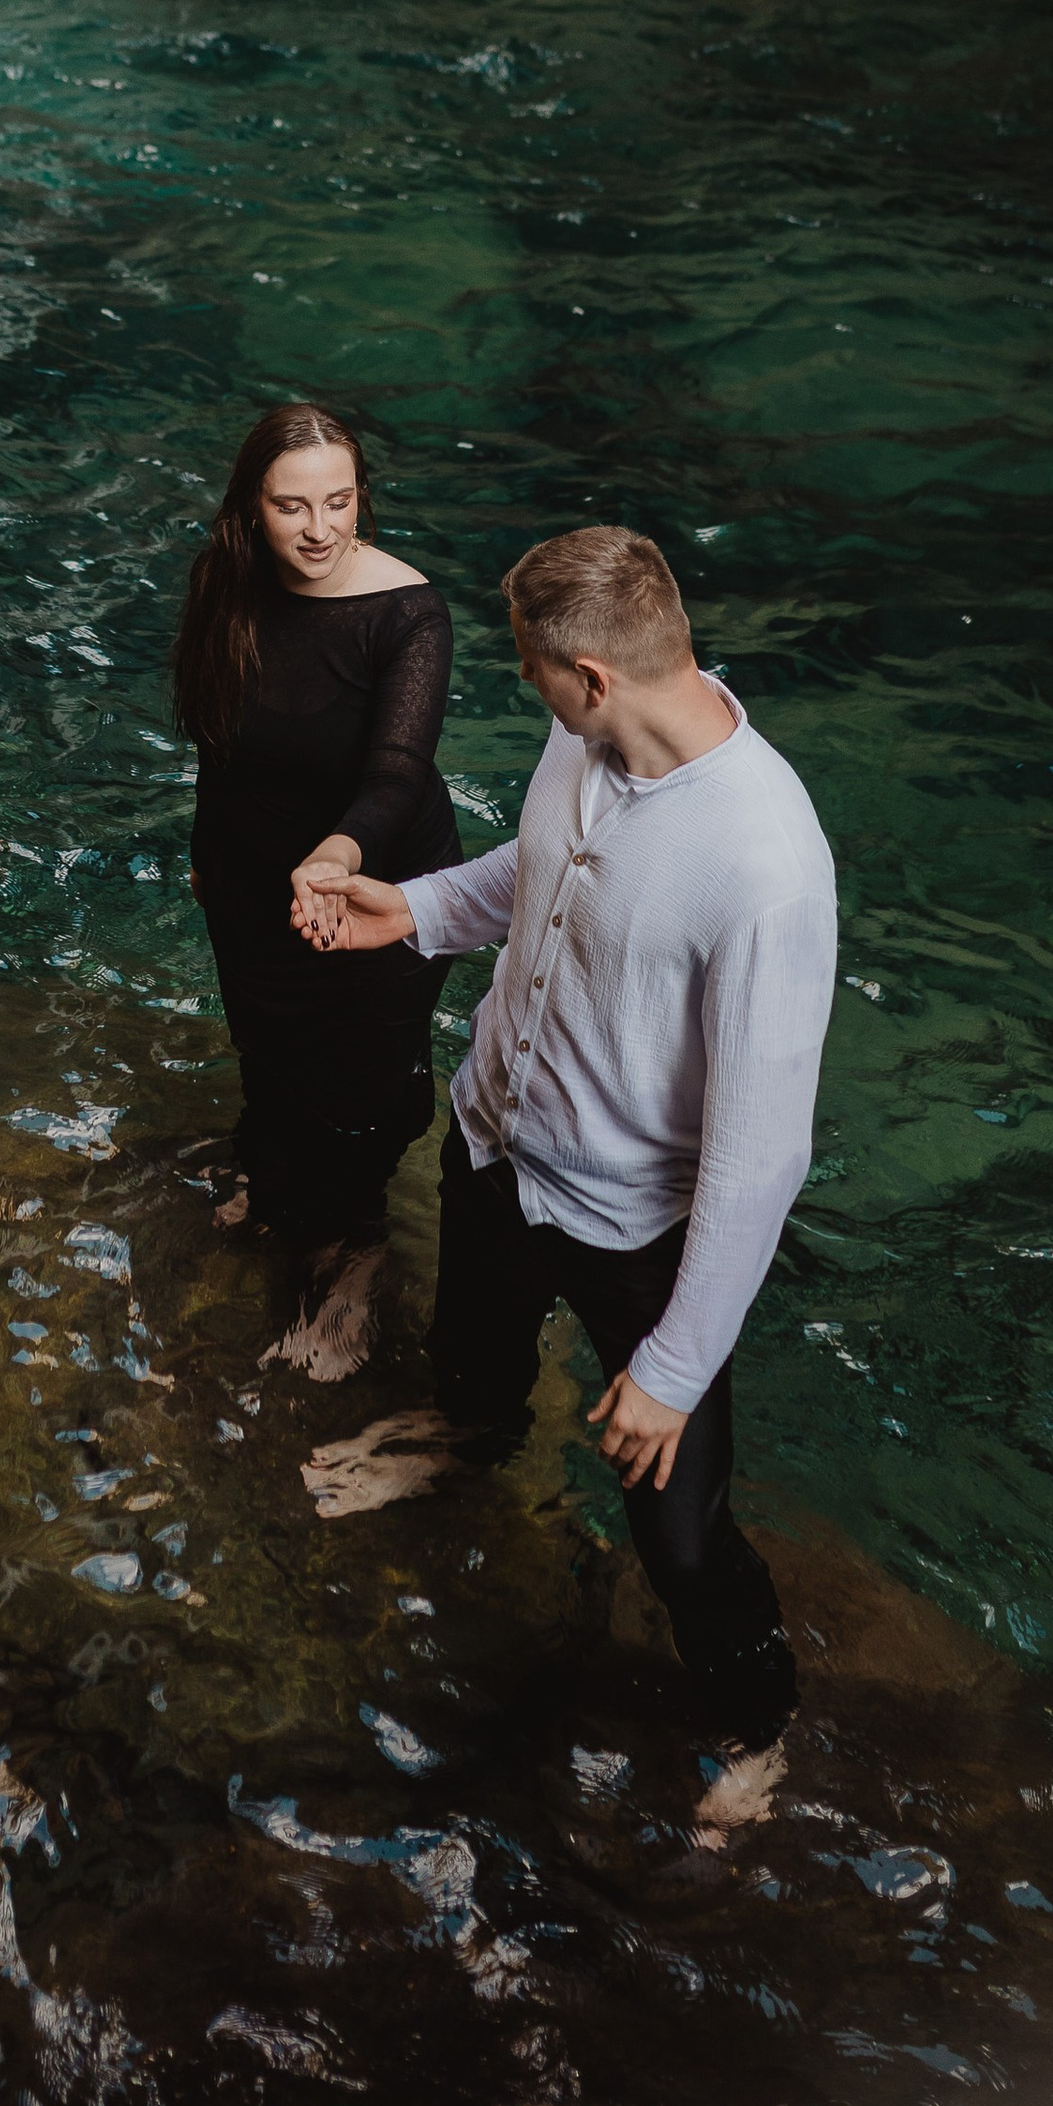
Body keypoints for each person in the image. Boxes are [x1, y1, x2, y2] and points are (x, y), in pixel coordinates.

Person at [293, 525, 834, 1839]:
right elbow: (539, 878)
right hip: (495, 1144)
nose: (523, 685)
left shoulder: (766, 867)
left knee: (683, 1537)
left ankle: (761, 1731)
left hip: (632, 1232)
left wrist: (673, 1366)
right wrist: (414, 909)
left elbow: (764, 1155)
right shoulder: (585, 736)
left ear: (592, 676)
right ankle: (467, 1441)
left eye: (532, 669)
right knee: (472, 1358)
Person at [174, 403, 458, 1380]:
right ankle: (268, 1181)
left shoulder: (408, 613)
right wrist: (207, 856)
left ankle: (356, 1257)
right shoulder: (226, 581)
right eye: (291, 506)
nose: (318, 529)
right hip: (250, 878)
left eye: (339, 502)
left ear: (360, 497)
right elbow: (214, 735)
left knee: (359, 1092)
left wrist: (337, 856)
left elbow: (396, 772)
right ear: (250, 509)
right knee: (266, 1049)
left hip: (374, 883)